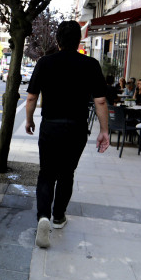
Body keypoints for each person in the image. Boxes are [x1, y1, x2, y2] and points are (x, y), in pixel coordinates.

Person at [25, 21, 110, 249]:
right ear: (79, 40)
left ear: (57, 40)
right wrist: (104, 130)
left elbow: (32, 97)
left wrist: (29, 119)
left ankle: (43, 216)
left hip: (51, 126)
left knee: (46, 173)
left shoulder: (45, 63)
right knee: (66, 173)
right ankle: (59, 216)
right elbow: (100, 100)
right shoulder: (90, 64)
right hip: (76, 128)